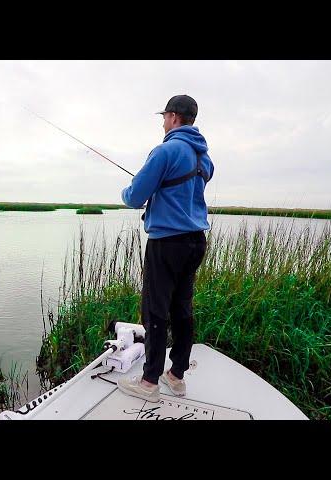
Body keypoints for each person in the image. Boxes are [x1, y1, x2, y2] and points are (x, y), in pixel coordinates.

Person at [117, 94, 214, 402]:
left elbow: (134, 197)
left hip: (167, 243)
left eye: (164, 117)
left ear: (174, 117)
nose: (162, 122)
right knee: (182, 309)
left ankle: (148, 383)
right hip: (195, 241)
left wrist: (128, 189)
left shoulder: (165, 150)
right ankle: (176, 376)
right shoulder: (205, 158)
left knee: (155, 311)